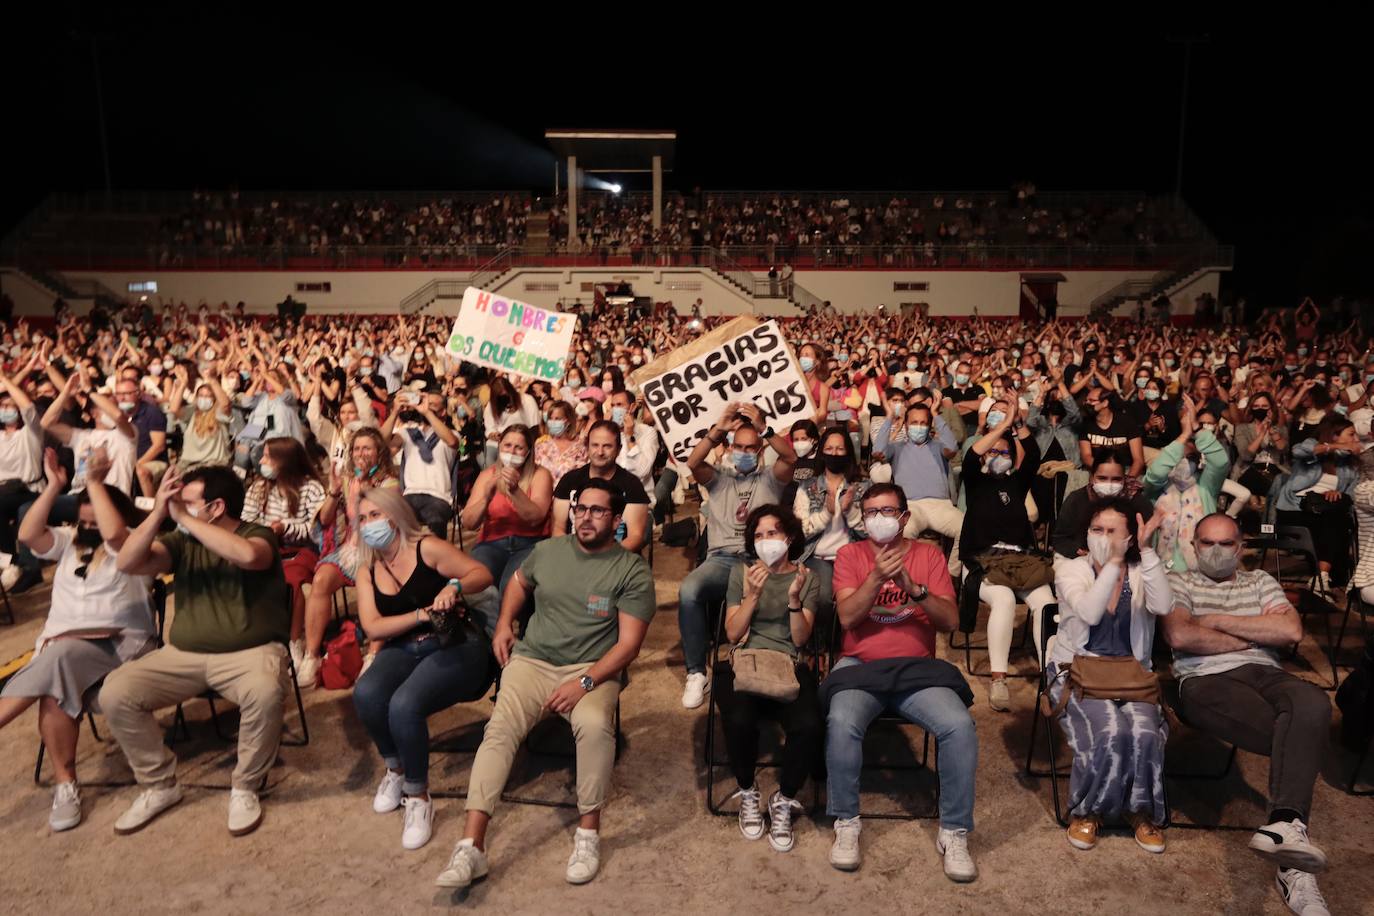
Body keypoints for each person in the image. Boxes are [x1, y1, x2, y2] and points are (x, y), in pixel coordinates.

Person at [434, 479, 654, 889]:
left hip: (593, 666)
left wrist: (584, 682)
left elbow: (628, 646)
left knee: (591, 726)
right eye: (580, 509)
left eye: (597, 511)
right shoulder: (548, 551)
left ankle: (587, 834)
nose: (585, 518)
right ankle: (471, 846)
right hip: (534, 659)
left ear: (618, 520)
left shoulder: (631, 570)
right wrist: (504, 623)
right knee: (499, 729)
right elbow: (519, 581)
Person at [101, 465, 290, 837]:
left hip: (249, 652)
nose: (178, 508)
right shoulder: (182, 542)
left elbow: (249, 557)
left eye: (187, 502)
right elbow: (126, 562)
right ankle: (160, 785)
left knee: (265, 693)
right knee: (116, 692)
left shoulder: (258, 533)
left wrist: (184, 518)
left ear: (216, 507)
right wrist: (158, 514)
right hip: (183, 656)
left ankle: (245, 787)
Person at [1162, 513, 1333, 916]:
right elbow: (1180, 636)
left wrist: (1216, 621)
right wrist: (1255, 629)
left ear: (1241, 548)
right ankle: (1294, 867)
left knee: (1315, 704)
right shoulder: (1179, 582)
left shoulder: (1261, 581)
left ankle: (1285, 825)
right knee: (1293, 732)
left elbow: (1291, 632)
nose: (1217, 552)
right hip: (1204, 680)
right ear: (1194, 546)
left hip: (1266, 673)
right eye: (1208, 543)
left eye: (1226, 544)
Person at [825, 483, 976, 882]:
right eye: (871, 511)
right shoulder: (849, 555)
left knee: (959, 726)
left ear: (905, 517)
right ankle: (846, 821)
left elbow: (951, 622)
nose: (878, 518)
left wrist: (916, 590)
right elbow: (847, 618)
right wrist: (875, 579)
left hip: (916, 669)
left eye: (887, 511)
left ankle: (955, 830)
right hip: (859, 665)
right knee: (841, 723)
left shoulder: (928, 555)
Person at [0, 446, 153, 832]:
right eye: (83, 523)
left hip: (122, 646)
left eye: (95, 522)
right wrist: (55, 486)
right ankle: (65, 784)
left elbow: (116, 536)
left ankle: (66, 783)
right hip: (63, 650)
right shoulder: (71, 544)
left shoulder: (135, 542)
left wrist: (96, 482)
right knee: (58, 671)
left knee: (59, 659)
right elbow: (27, 533)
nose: (89, 530)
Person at [350, 488, 494, 850]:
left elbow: (482, 574)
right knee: (367, 693)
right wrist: (420, 615)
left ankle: (418, 797)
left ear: (396, 515)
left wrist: (454, 586)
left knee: (404, 704)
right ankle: (396, 769)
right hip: (408, 643)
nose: (370, 524)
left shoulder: (425, 547)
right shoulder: (367, 568)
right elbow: (373, 627)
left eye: (376, 515)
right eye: (363, 518)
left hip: (456, 641)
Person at [1049, 501, 1170, 852]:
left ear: (1130, 536)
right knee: (1110, 730)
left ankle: (1140, 811)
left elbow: (1163, 606)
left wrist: (1146, 553)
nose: (1103, 537)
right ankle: (1089, 812)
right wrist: (1113, 562)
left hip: (1133, 676)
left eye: (1112, 531)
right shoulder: (1071, 569)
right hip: (1077, 673)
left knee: (1145, 732)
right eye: (1097, 530)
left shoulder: (1141, 569)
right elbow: (1088, 611)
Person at [678, 402, 797, 709]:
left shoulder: (771, 478)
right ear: (730, 448)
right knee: (689, 590)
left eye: (751, 447)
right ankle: (695, 672)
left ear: (759, 451)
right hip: (722, 560)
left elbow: (790, 457)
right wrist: (718, 430)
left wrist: (764, 428)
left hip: (762, 560)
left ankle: (783, 658)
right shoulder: (719, 478)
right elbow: (693, 461)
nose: (744, 451)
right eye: (738, 446)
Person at [717, 505, 822, 852]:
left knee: (808, 724)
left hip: (789, 664)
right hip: (747, 659)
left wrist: (793, 599)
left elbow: (801, 639)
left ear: (789, 537)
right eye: (759, 535)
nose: (766, 541)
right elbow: (733, 633)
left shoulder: (807, 577)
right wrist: (753, 595)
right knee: (738, 718)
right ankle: (748, 790)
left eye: (773, 533)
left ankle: (784, 797)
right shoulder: (741, 573)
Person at [962, 409, 1053, 710]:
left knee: (1046, 604)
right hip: (983, 560)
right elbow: (970, 456)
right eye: (992, 451)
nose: (997, 455)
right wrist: (1000, 426)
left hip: (1021, 560)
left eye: (1004, 452)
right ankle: (998, 678)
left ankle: (1051, 677)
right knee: (1004, 600)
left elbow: (1035, 454)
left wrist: (1017, 425)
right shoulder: (976, 482)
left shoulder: (1017, 483)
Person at [299, 426, 400, 685]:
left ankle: (373, 655)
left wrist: (366, 484)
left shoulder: (389, 481)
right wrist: (334, 490)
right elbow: (325, 518)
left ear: (379, 453)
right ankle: (311, 655)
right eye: (356, 448)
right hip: (350, 548)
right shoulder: (346, 480)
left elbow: (384, 518)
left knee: (379, 584)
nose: (360, 453)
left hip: (380, 549)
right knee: (321, 579)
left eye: (367, 448)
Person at [242, 437, 326, 672]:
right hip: (267, 548)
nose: (262, 461)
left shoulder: (311, 488)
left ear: (285, 461)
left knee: (292, 580)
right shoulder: (258, 488)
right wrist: (263, 533)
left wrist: (285, 528)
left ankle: (293, 640)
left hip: (302, 550)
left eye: (268, 456)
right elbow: (247, 523)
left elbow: (315, 531)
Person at [872, 400, 963, 577]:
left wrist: (936, 414)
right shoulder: (897, 448)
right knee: (901, 533)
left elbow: (952, 447)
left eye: (923, 423)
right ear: (905, 425)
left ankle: (951, 576)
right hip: (910, 507)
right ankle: (909, 579)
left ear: (930, 426)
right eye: (914, 422)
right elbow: (878, 450)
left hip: (941, 506)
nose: (918, 427)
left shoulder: (938, 446)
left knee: (967, 527)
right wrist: (890, 416)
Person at [460, 424, 553, 596]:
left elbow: (536, 517)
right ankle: (493, 622)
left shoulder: (540, 475)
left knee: (509, 588)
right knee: (479, 586)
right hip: (491, 542)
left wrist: (515, 490)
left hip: (529, 543)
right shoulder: (488, 475)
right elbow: (468, 523)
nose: (512, 452)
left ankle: (504, 621)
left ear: (527, 452)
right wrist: (485, 498)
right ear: (500, 446)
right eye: (507, 446)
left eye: (519, 448)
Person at [1142, 396, 1231, 573]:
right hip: (1162, 570)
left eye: (1189, 458)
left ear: (1198, 462)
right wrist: (1184, 435)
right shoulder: (1157, 488)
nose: (1183, 462)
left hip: (1202, 572)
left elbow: (1220, 462)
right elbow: (1157, 472)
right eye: (1178, 457)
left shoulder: (1206, 487)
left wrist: (1196, 428)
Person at [1274, 416, 1359, 593]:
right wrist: (1336, 447)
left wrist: (1338, 494)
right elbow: (1297, 451)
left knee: (1338, 518)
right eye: (1351, 434)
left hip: (1325, 510)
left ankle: (1321, 576)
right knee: (1334, 521)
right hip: (1295, 508)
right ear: (1335, 435)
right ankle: (1322, 578)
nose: (1355, 439)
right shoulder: (1313, 446)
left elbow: (1352, 493)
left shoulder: (1348, 465)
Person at [792, 426, 869, 623]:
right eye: (829, 449)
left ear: (848, 453)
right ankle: (821, 647)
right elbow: (800, 532)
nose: (834, 453)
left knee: (862, 597)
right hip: (818, 556)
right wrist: (827, 513)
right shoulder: (807, 486)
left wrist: (850, 510)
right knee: (822, 599)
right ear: (822, 452)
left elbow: (869, 534)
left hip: (852, 555)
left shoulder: (861, 487)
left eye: (840, 449)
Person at [552, 420, 650, 554]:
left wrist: (602, 560)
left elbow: (635, 537)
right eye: (595, 445)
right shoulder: (570, 480)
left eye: (607, 446)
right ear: (587, 447)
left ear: (618, 449)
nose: (600, 452)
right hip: (573, 556)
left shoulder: (632, 485)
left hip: (616, 559)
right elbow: (558, 528)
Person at [1052, 449, 1155, 565]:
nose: (1109, 484)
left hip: (1126, 562)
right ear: (1092, 477)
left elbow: (1147, 542)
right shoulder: (1076, 500)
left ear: (1124, 478)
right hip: (1082, 559)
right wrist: (1075, 549)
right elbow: (1059, 539)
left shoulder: (1138, 502)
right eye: (1102, 478)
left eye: (1116, 479)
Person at [382, 386, 459, 538]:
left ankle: (437, 559)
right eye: (425, 403)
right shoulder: (407, 433)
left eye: (432, 405)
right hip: (410, 494)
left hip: (439, 497)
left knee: (436, 519)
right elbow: (381, 445)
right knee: (391, 519)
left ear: (443, 411)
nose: (426, 407)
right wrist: (395, 412)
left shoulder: (452, 433)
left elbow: (452, 442)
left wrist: (427, 413)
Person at [0, 367, 44, 585]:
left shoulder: (30, 433)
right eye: (3, 406)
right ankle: (11, 561)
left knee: (22, 510)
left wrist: (5, 379)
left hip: (30, 491)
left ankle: (25, 567)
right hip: (3, 493)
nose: (7, 410)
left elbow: (28, 408)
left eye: (11, 406)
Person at [113, 375, 168, 499]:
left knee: (141, 472)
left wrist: (136, 464)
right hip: (125, 460)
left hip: (151, 461)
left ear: (138, 393)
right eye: (118, 394)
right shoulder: (118, 415)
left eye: (126, 393)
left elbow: (158, 446)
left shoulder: (152, 413)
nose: (121, 398)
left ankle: (150, 510)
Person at [168, 367, 233, 471]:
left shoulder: (219, 413)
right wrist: (183, 384)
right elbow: (174, 410)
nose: (204, 399)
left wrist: (212, 380)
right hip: (188, 463)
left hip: (214, 464)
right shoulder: (192, 411)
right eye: (201, 396)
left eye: (208, 396)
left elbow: (225, 405)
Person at [1079, 390, 1144, 477]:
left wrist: (1128, 481)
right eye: (1086, 400)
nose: (1087, 403)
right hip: (1097, 470)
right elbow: (1086, 457)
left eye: (1091, 400)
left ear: (1105, 403)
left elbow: (1138, 460)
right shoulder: (1086, 424)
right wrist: (1106, 470)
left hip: (1125, 470)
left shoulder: (1127, 422)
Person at [533, 399, 587, 487]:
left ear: (568, 420)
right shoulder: (541, 446)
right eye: (551, 418)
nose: (553, 422)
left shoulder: (581, 447)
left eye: (557, 419)